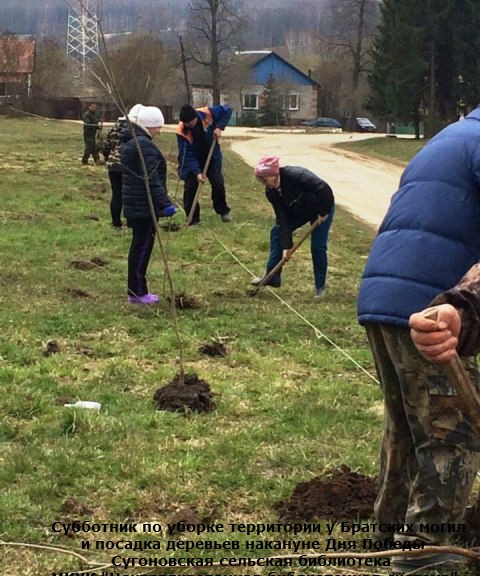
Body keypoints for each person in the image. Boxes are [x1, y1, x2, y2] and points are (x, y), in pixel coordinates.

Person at [357, 107, 480, 572]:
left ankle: (389, 529)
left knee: (408, 425)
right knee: (452, 431)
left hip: (383, 294)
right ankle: (427, 549)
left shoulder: (455, 135)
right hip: (433, 303)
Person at [251, 156, 334, 299]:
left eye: (264, 179)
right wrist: (286, 246)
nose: (263, 183)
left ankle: (319, 287)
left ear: (274, 174)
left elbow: (324, 189)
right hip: (300, 211)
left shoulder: (296, 175)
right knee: (277, 231)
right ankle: (273, 277)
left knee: (317, 247)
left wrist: (323, 212)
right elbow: (282, 218)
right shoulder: (271, 191)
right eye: (261, 180)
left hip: (322, 207)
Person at [121, 104, 177, 305]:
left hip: (136, 203)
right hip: (144, 206)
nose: (160, 131)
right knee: (142, 248)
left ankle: (136, 289)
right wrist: (165, 203)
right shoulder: (144, 145)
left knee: (139, 246)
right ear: (148, 125)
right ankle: (137, 293)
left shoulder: (133, 141)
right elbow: (151, 178)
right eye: (158, 127)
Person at [176, 103, 232, 225]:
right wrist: (197, 172)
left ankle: (223, 211)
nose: (188, 125)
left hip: (211, 156)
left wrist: (219, 127)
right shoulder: (181, 131)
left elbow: (227, 109)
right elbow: (187, 155)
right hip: (193, 159)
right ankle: (193, 219)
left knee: (218, 182)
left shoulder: (207, 113)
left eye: (190, 123)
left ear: (195, 117)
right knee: (190, 187)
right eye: (186, 124)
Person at [103, 116, 127, 228]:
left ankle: (116, 222)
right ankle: (130, 221)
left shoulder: (113, 130)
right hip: (126, 166)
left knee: (116, 195)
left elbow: (106, 146)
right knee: (128, 194)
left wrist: (108, 157)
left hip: (113, 165)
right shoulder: (132, 131)